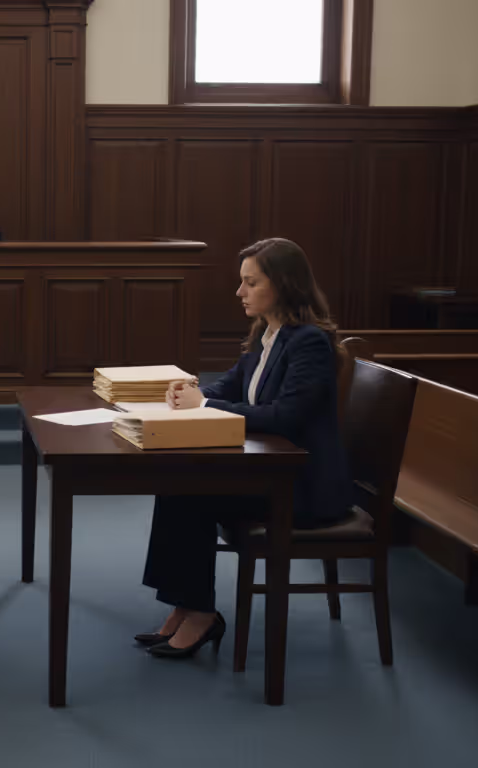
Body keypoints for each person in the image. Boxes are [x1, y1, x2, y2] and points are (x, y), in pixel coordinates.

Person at [136, 238, 351, 659]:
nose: (240, 292)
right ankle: (186, 605)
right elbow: (230, 386)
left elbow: (286, 415)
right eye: (241, 282)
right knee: (176, 480)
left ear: (284, 286)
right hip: (270, 473)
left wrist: (207, 405)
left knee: (190, 494)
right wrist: (193, 391)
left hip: (302, 487)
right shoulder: (267, 336)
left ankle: (200, 614)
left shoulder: (308, 342)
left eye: (250, 283)